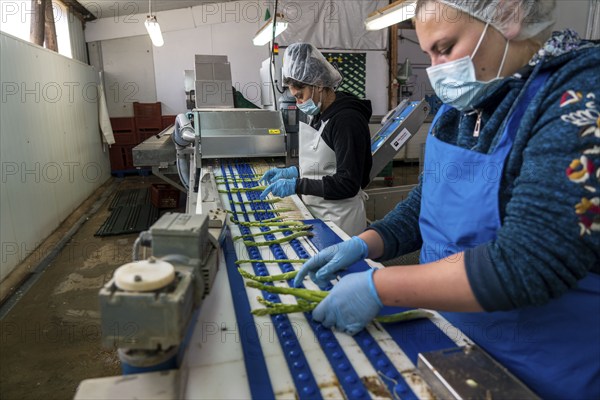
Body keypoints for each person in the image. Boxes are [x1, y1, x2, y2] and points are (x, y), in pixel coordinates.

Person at [293, 1, 600, 398]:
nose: (437, 70)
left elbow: (532, 259)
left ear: (508, 15)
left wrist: (381, 286)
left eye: (445, 48)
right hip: (447, 343)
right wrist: (365, 242)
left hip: (541, 371)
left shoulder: (578, 96)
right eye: (428, 55)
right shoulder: (463, 103)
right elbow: (427, 203)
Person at [259, 43, 373, 236]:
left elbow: (348, 183)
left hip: (341, 223)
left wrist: (296, 184)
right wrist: (293, 171)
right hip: (321, 216)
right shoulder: (321, 113)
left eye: (300, 95)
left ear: (319, 85)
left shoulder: (347, 121)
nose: (299, 102)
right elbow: (326, 163)